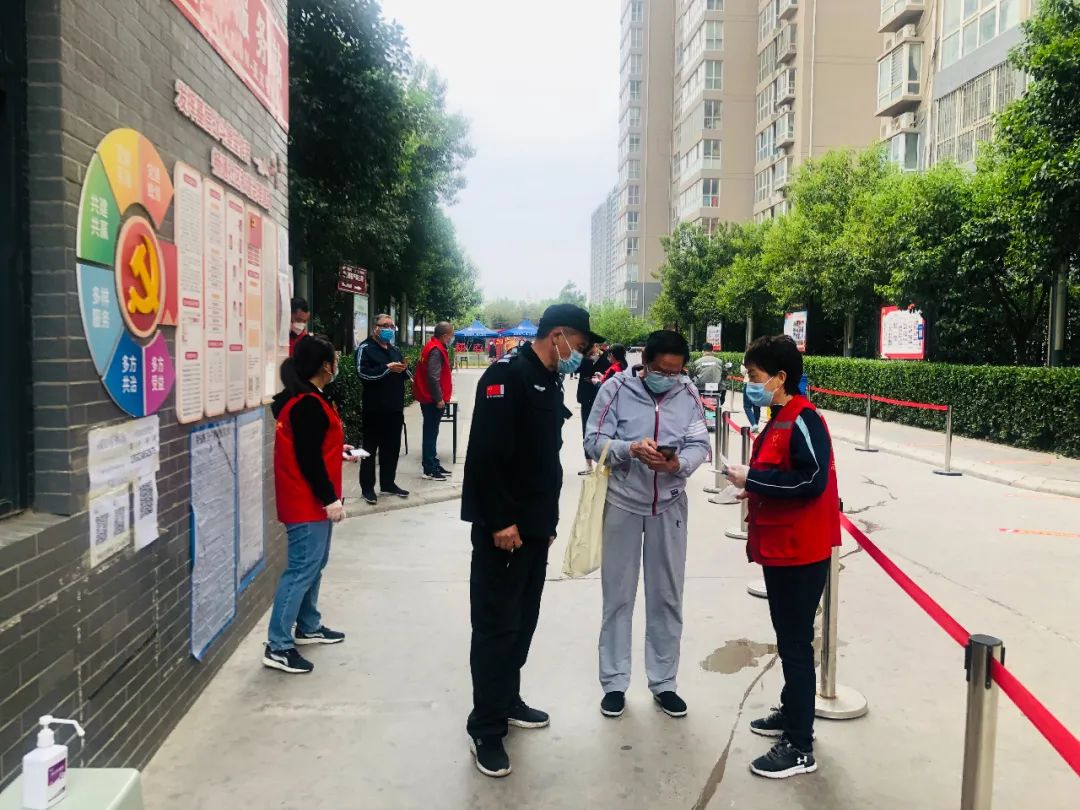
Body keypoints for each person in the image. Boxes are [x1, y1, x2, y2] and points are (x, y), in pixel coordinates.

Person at [461, 303, 603, 778]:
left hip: (535, 527)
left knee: (523, 620)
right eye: (577, 346)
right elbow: (487, 455)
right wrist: (501, 520)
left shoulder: (548, 377)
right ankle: (486, 727)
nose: (578, 355)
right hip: (506, 530)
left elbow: (543, 458)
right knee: (497, 625)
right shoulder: (506, 376)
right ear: (557, 335)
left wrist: (546, 520)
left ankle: (507, 699)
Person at [724, 335, 840, 780]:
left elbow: (811, 481)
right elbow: (780, 474)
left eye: (754, 377)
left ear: (780, 377)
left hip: (800, 551)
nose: (750, 384)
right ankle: (793, 713)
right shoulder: (780, 418)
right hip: (780, 548)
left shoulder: (804, 419)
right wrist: (752, 483)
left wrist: (753, 479)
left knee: (794, 645)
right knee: (788, 639)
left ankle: (800, 745)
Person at [584, 330, 711, 721]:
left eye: (676, 371)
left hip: (669, 505)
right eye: (661, 370)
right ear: (645, 363)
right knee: (618, 597)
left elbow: (700, 443)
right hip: (622, 503)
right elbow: (593, 441)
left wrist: (678, 464)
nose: (668, 378)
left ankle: (664, 683)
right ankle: (614, 683)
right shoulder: (615, 389)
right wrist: (630, 449)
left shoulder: (688, 393)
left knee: (667, 596)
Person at [264, 335, 357, 674]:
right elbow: (307, 459)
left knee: (315, 564)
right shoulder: (307, 404)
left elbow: (313, 448)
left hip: (312, 500)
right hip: (306, 502)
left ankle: (308, 625)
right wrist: (330, 498)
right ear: (325, 366)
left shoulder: (308, 399)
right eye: (334, 360)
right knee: (301, 569)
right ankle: (277, 645)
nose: (336, 366)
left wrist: (339, 451)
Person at [355, 314, 410, 505]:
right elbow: (363, 374)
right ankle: (367, 488)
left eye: (392, 326)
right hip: (374, 409)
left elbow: (404, 374)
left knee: (392, 448)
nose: (389, 329)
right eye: (385, 325)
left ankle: (388, 483)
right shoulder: (365, 348)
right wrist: (387, 368)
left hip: (394, 408)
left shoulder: (395, 350)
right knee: (369, 450)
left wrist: (404, 369)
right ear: (375, 328)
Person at [414, 322, 455, 481]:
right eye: (451, 335)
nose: (452, 338)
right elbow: (433, 377)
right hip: (432, 399)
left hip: (428, 397)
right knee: (430, 433)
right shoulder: (436, 350)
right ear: (444, 335)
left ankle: (433, 463)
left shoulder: (432, 346)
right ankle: (429, 468)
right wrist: (439, 398)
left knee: (432, 432)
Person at [575, 344, 607, 475]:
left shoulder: (606, 358)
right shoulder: (583, 359)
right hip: (586, 399)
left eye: (591, 347)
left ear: (596, 346)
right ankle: (588, 464)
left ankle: (604, 464)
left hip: (603, 400)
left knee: (604, 431)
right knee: (586, 430)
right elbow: (575, 369)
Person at [741, 363, 762, 433]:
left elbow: (743, 372)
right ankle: (756, 424)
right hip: (759, 384)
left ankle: (754, 424)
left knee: (747, 406)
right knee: (757, 405)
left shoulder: (747, 359)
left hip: (749, 383)